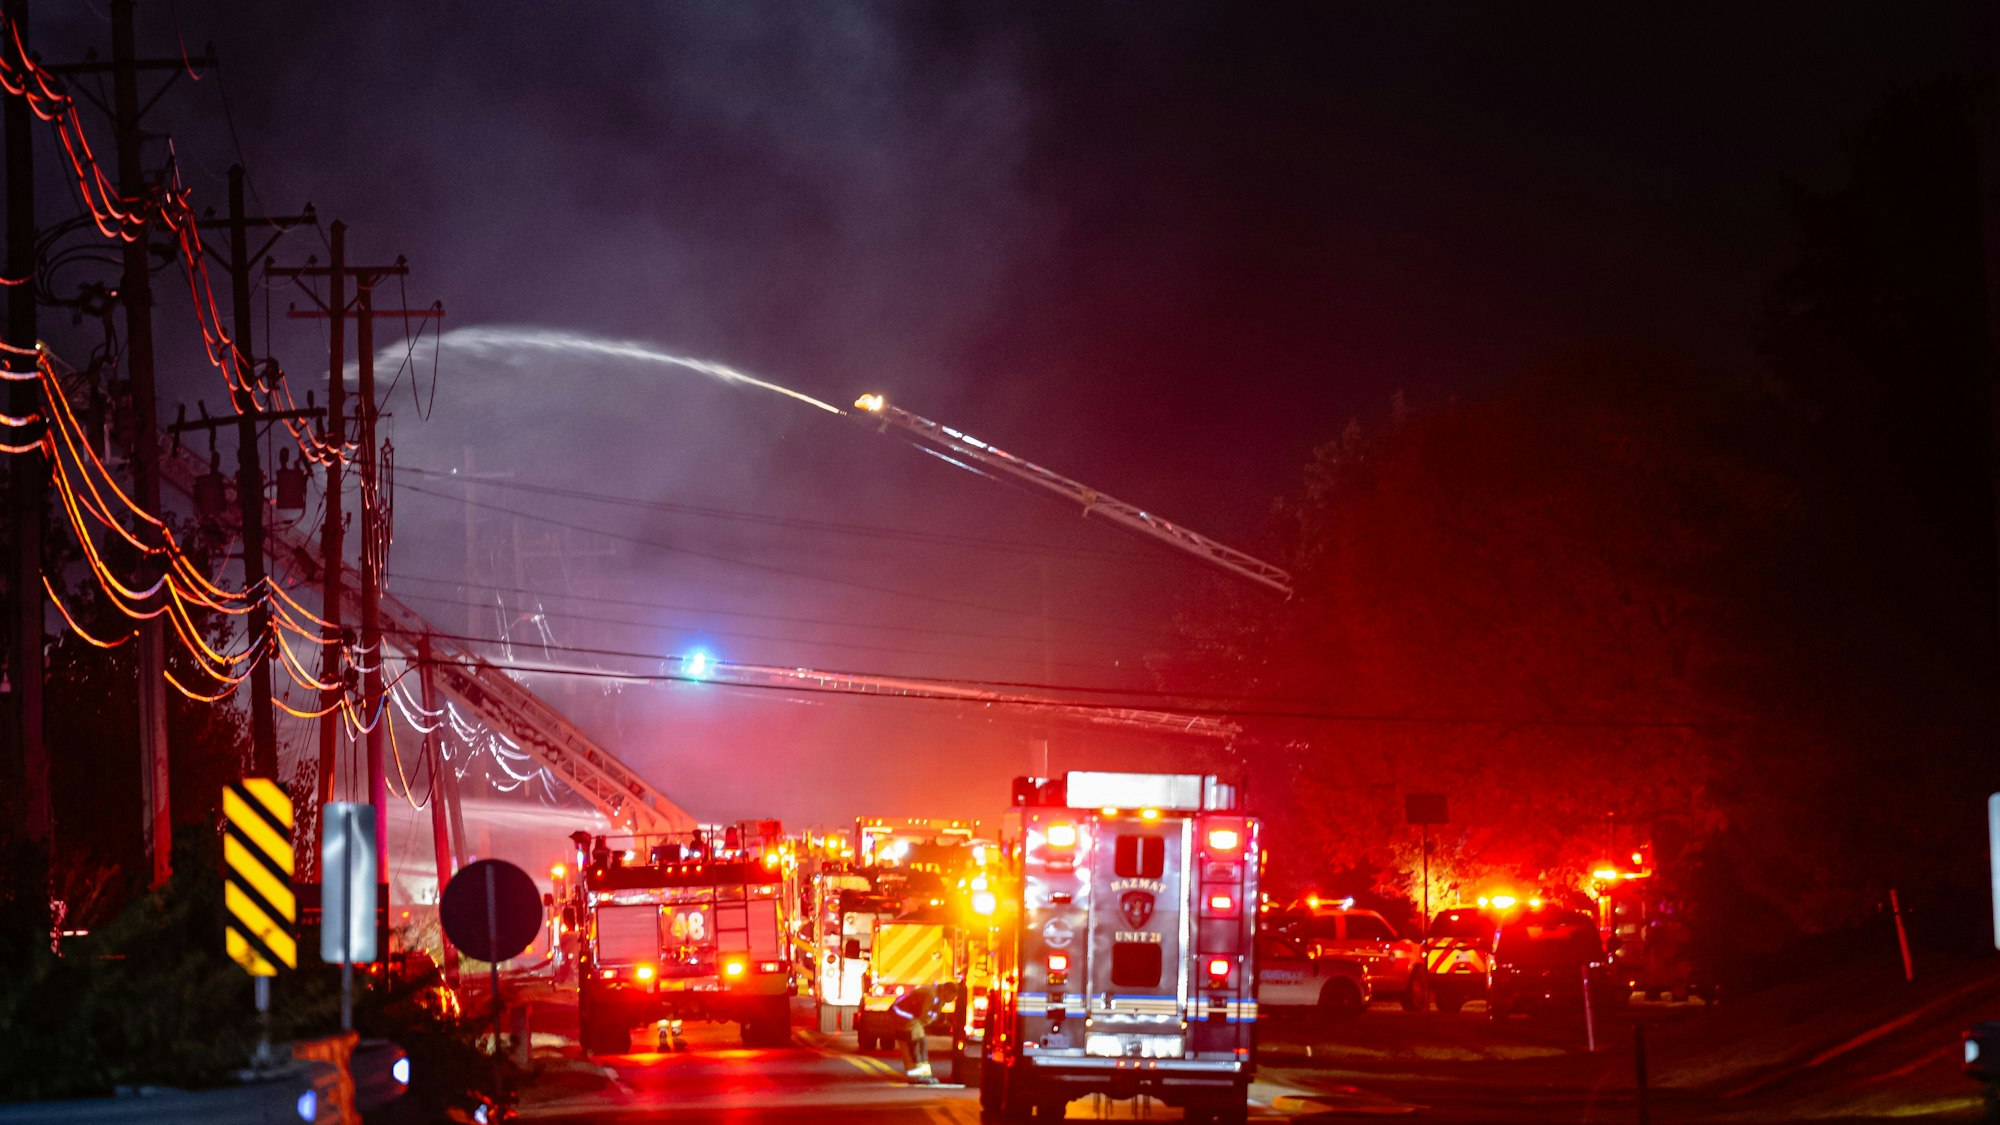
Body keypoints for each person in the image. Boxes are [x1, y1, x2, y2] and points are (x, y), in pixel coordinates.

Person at [890, 982, 959, 1084]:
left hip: (902, 1014)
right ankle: (917, 1076)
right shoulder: (932, 996)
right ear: (947, 991)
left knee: (911, 1044)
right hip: (904, 1015)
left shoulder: (936, 994)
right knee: (917, 1042)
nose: (953, 999)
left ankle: (917, 1076)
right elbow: (924, 1016)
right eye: (953, 995)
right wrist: (929, 1019)